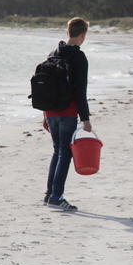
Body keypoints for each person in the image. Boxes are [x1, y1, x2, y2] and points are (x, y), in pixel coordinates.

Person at [43, 17, 92, 211]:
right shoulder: (79, 57)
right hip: (68, 111)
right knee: (65, 154)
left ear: (68, 32)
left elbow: (46, 86)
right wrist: (86, 118)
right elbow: (81, 90)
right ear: (82, 34)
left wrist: (44, 115)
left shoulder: (53, 52)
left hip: (50, 110)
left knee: (58, 151)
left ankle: (49, 194)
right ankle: (56, 196)